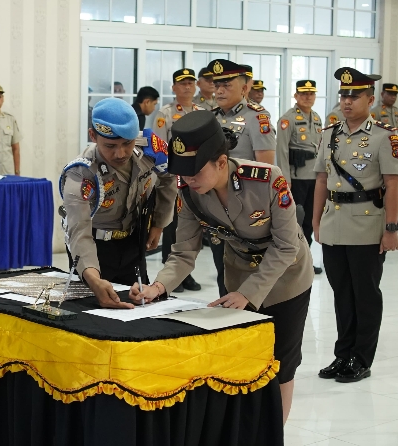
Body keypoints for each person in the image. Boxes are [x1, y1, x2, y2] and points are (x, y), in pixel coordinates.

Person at [130, 109, 313, 425]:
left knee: (281, 361)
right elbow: (183, 253)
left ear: (221, 162)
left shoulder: (268, 179)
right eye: (184, 173)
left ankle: (275, 434)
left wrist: (248, 294)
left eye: (195, 172)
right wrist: (157, 287)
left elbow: (286, 247)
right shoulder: (190, 192)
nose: (188, 180)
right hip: (238, 275)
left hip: (287, 278)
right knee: (240, 361)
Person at [314, 67, 398, 383]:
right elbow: (321, 180)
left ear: (370, 100)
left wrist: (392, 229)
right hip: (334, 224)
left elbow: (393, 184)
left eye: (355, 96)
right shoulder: (329, 134)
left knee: (365, 295)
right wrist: (315, 220)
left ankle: (361, 358)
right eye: (344, 96)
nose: (347, 102)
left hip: (367, 226)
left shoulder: (384, 136)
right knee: (341, 294)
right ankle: (342, 355)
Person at [59, 98, 176, 308]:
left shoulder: (150, 150)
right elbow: (78, 231)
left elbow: (169, 178)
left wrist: (159, 223)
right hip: (94, 247)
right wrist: (93, 278)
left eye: (127, 143)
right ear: (93, 135)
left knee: (141, 307)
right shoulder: (80, 174)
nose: (120, 154)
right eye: (110, 146)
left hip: (133, 242)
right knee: (92, 310)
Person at [209, 59, 276, 297]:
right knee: (223, 270)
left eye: (226, 85)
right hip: (217, 207)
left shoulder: (257, 118)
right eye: (217, 85)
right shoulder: (211, 118)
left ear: (245, 88)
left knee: (248, 273)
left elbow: (266, 170)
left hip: (247, 207)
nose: (219, 90)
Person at [151, 68, 203, 292]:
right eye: (182, 83)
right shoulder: (165, 114)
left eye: (191, 83)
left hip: (197, 178)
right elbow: (159, 149)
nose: (187, 87)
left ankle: (187, 272)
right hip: (174, 179)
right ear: (174, 88)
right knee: (172, 226)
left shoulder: (202, 112)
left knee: (191, 227)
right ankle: (171, 275)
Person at [276, 80, 324, 275]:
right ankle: (291, 261)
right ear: (296, 96)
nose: (307, 97)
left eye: (311, 94)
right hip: (296, 178)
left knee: (310, 220)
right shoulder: (288, 119)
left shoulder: (317, 117)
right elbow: (282, 150)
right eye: (303, 94)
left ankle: (305, 260)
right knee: (294, 220)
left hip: (315, 178)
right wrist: (284, 179)